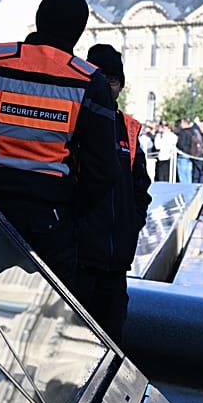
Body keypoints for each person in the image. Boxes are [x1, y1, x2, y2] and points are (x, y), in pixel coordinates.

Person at [0, 0, 119, 295]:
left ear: (38, 20)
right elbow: (102, 170)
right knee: (49, 316)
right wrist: (70, 208)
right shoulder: (90, 82)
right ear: (79, 32)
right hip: (52, 223)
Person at [75, 44, 152, 343]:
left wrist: (131, 224)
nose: (106, 85)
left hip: (116, 260)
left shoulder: (129, 130)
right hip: (82, 256)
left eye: (112, 79)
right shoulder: (76, 122)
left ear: (121, 84)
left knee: (113, 337)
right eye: (99, 76)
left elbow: (140, 187)